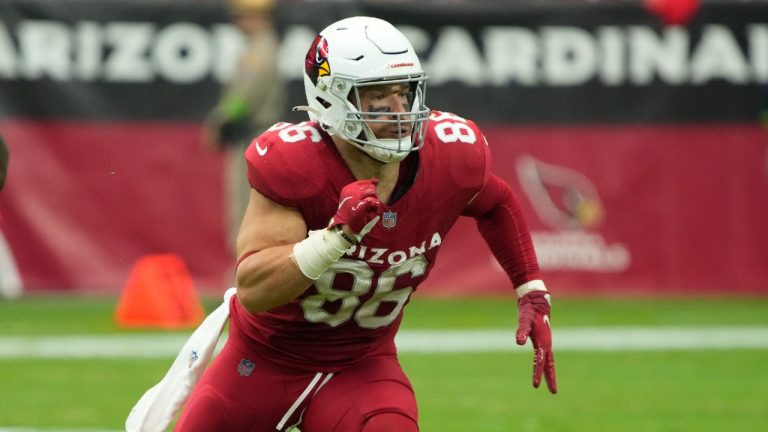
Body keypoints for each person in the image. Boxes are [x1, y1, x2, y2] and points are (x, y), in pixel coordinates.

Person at [176, 16, 557, 431]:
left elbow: (496, 202)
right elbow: (253, 290)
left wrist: (530, 289)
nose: (400, 111)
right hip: (264, 361)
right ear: (331, 99)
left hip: (361, 366)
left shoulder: (450, 155)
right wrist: (335, 238)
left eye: (404, 92)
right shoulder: (297, 165)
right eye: (377, 96)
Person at [202, 0, 285, 251]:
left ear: (256, 17)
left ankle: (244, 267)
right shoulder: (262, 47)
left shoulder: (258, 52)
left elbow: (243, 98)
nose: (237, 22)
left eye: (241, 16)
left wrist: (218, 121)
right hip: (257, 137)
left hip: (252, 137)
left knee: (244, 207)